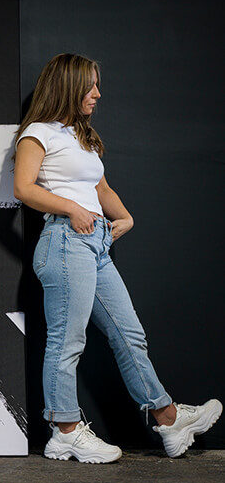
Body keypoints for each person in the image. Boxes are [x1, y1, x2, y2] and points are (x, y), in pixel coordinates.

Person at [13, 53, 221, 463]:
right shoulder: (38, 134)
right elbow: (24, 188)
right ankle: (65, 430)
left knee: (130, 335)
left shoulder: (80, 136)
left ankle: (167, 418)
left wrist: (123, 217)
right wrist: (72, 209)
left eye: (96, 85)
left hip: (94, 245)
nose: (97, 93)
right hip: (64, 241)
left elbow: (100, 187)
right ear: (69, 86)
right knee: (67, 341)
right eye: (90, 85)